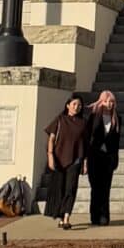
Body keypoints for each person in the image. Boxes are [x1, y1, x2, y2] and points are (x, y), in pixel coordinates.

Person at [46, 93, 90, 229]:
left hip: (75, 160)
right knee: (60, 188)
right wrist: (50, 156)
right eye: (74, 104)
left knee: (71, 188)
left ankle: (66, 217)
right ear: (68, 105)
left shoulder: (83, 123)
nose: (77, 107)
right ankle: (60, 217)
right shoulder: (60, 120)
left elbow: (86, 144)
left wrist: (85, 162)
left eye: (79, 105)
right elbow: (51, 139)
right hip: (59, 159)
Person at [83, 89, 123, 226]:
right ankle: (94, 215)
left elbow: (117, 140)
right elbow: (88, 138)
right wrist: (85, 159)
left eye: (111, 102)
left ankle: (104, 216)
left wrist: (115, 158)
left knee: (106, 188)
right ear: (101, 102)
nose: (109, 104)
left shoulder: (117, 118)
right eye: (106, 101)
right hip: (94, 156)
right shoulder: (93, 117)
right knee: (95, 187)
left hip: (109, 158)